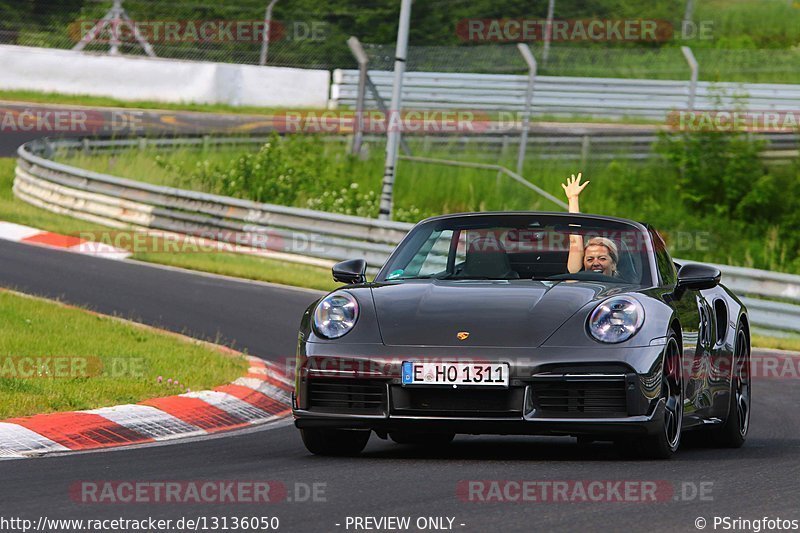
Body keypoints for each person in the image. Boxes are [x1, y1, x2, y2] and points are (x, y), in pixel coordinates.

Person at [562, 173, 618, 277]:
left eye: (602, 258)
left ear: (613, 264)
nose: (596, 263)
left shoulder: (624, 290)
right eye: (589, 259)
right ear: (583, 263)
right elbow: (575, 241)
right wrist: (573, 198)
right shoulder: (576, 277)